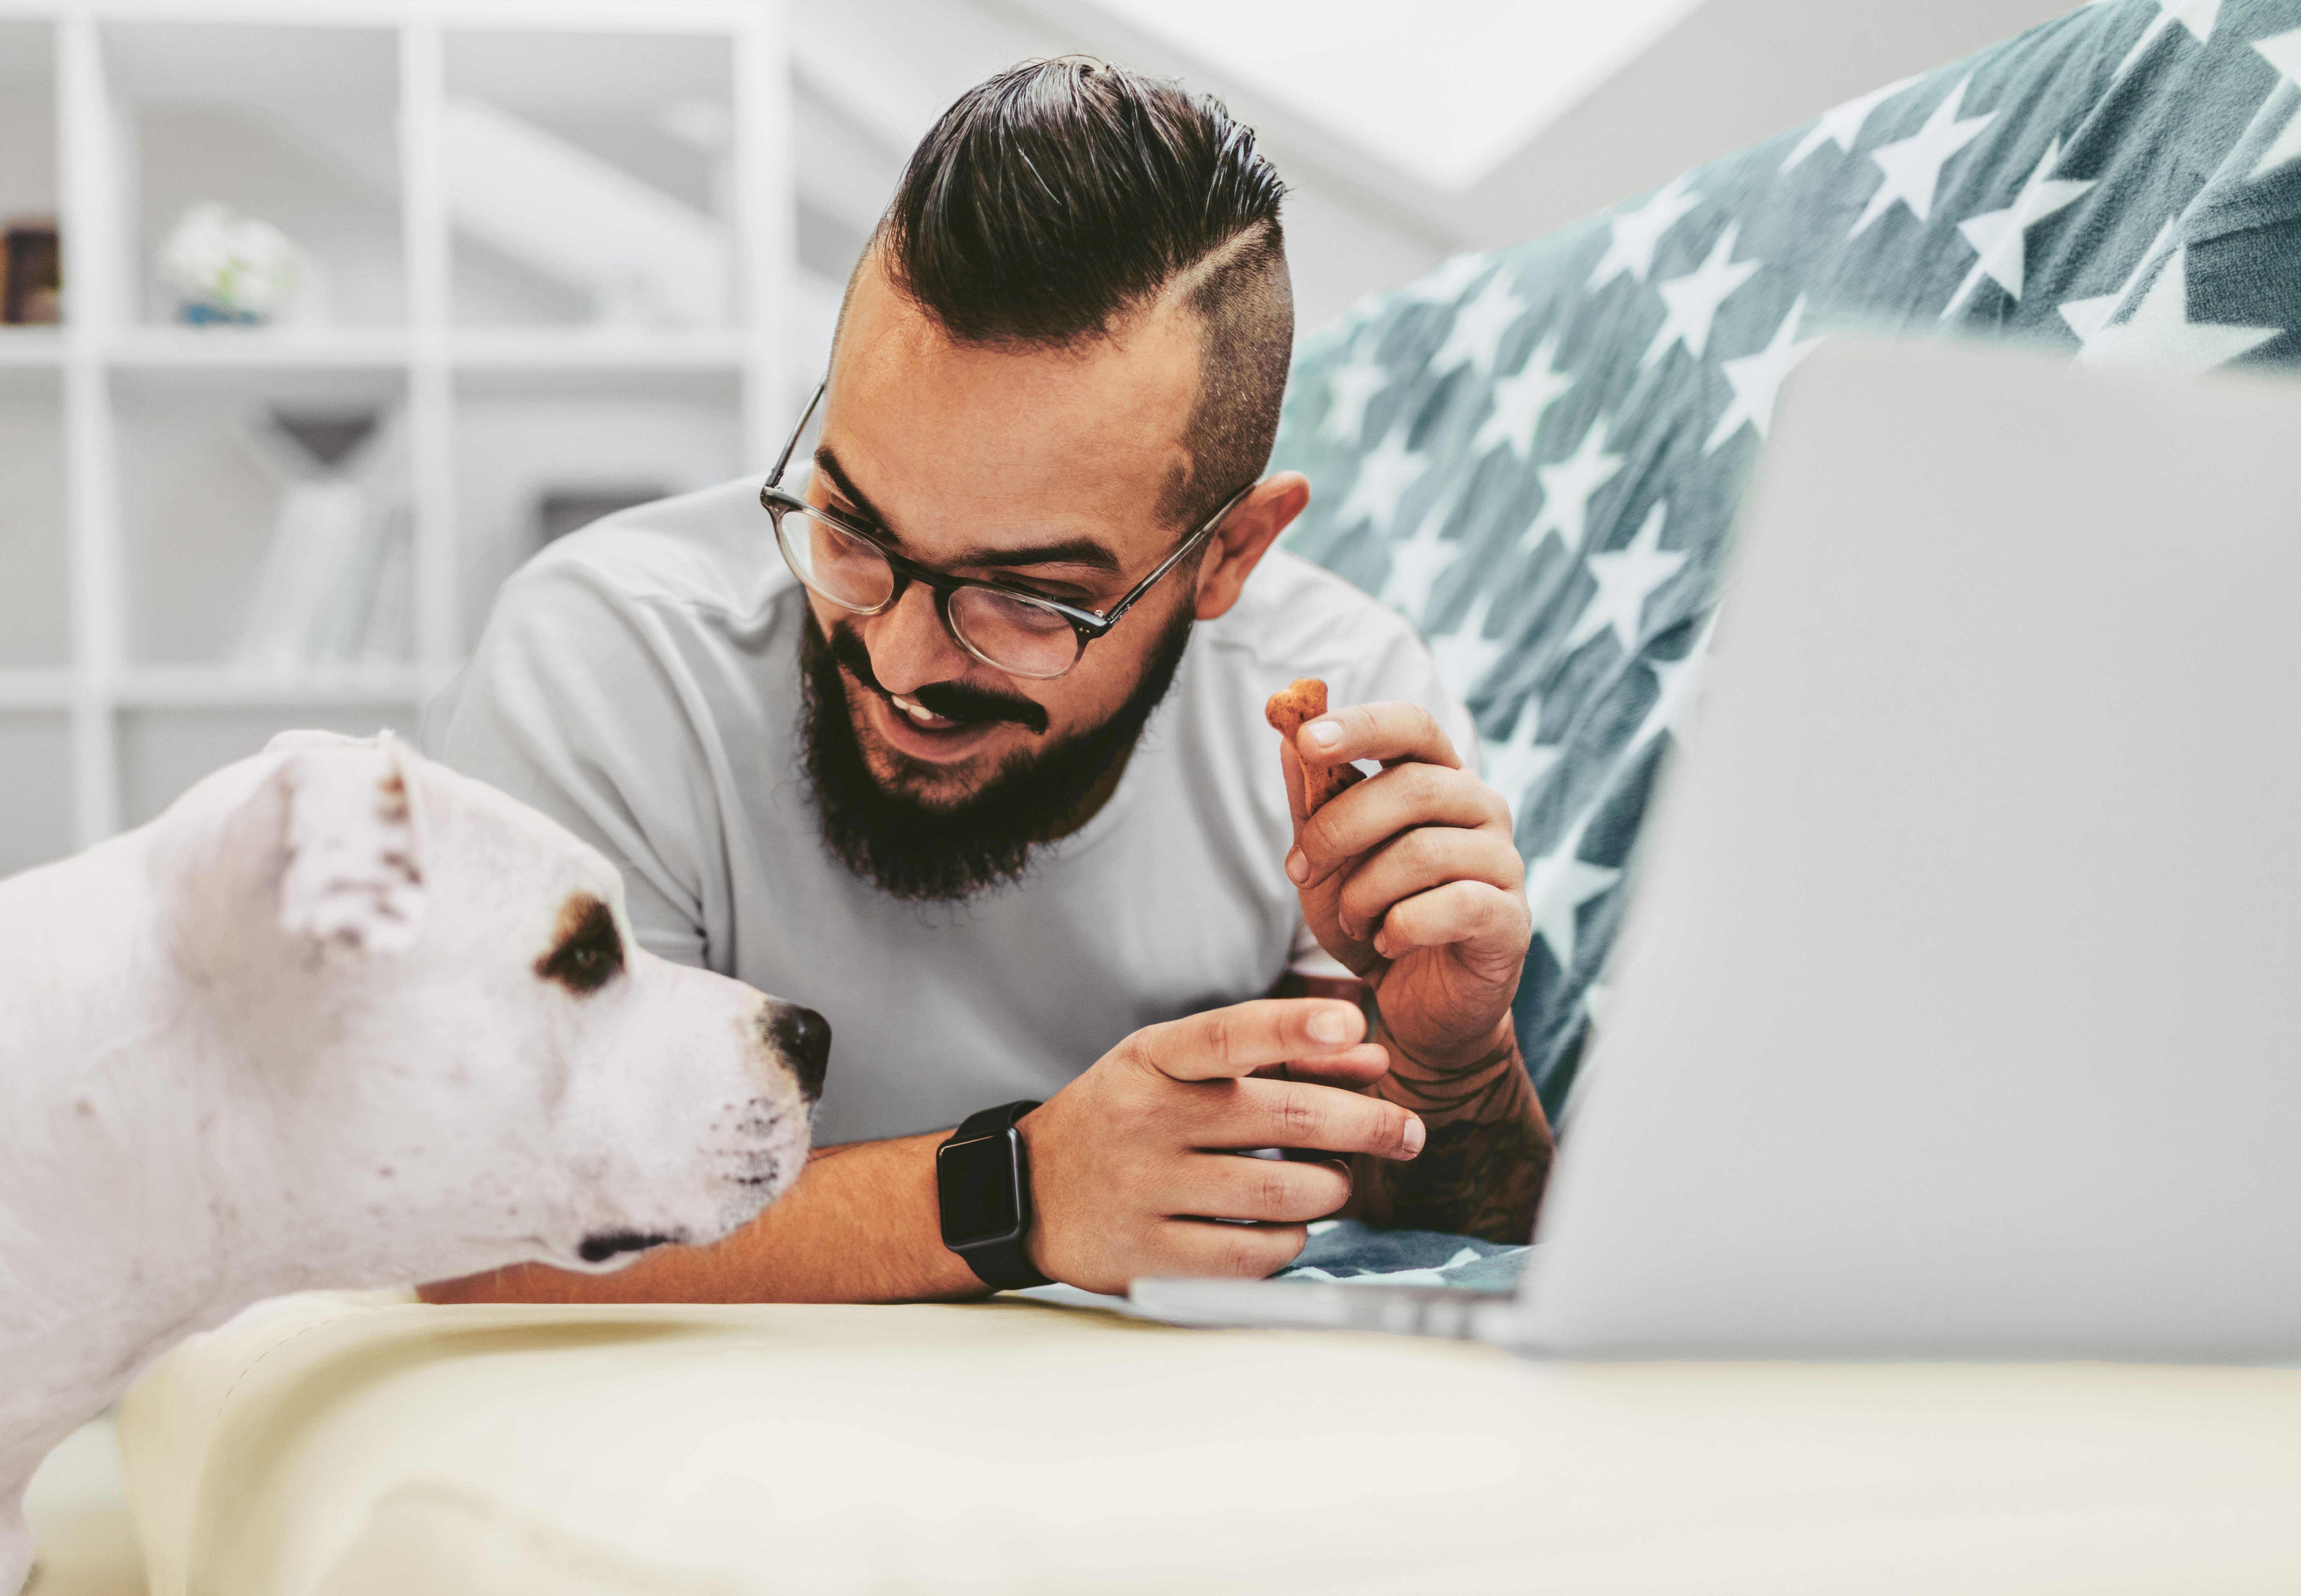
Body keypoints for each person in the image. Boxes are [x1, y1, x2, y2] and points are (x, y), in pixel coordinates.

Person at [423, 57, 1549, 1303]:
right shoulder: (612, 659)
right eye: (853, 527)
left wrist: (1453, 1069)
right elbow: (477, 1231)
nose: (902, 662)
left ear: (1227, 554)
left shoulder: (1334, 704)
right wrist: (1017, 1191)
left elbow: (1434, 1214)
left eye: (1028, 598)